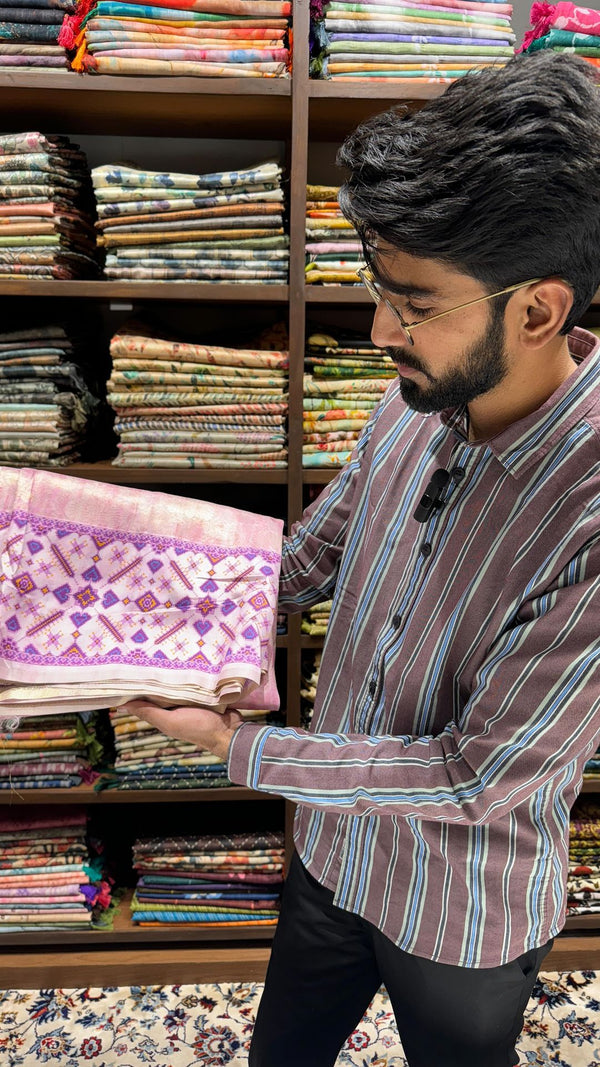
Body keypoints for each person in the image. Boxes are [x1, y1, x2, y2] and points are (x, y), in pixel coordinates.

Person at [126, 51, 600, 1067]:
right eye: (381, 287)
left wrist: (236, 747)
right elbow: (322, 547)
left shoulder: (590, 514)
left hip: (461, 898)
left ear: (538, 309)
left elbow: (482, 776)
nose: (381, 328)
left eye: (416, 302)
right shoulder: (414, 391)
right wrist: (158, 614)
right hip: (333, 846)